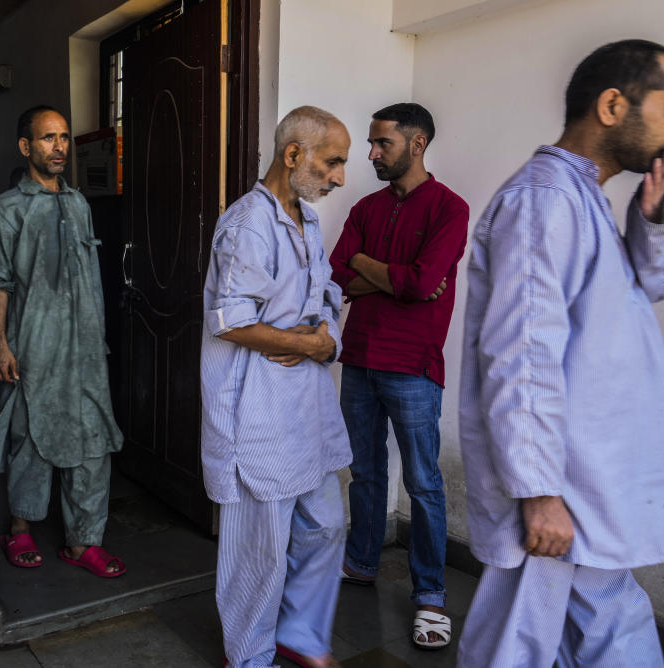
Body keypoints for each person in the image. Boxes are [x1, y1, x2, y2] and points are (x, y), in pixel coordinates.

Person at [458, 39, 664, 667]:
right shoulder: (545, 202)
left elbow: (653, 284)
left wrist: (654, 212)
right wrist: (539, 492)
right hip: (563, 491)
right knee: (533, 642)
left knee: (558, 638)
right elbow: (521, 354)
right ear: (614, 105)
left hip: (587, 483)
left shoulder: (586, 197)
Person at [201, 106, 353, 668]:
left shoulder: (306, 221)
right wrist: (307, 346)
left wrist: (326, 338)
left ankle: (301, 635)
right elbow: (231, 320)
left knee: (326, 525)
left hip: (304, 407)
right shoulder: (247, 224)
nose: (339, 176)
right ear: (294, 155)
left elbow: (327, 294)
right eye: (333, 162)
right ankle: (249, 657)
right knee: (257, 553)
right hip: (256, 410)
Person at [329, 103, 469, 650]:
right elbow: (337, 275)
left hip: (414, 365)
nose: (371, 153)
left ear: (417, 143)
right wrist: (391, 275)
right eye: (372, 143)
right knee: (365, 472)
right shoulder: (365, 207)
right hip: (359, 358)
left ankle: (430, 595)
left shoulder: (449, 209)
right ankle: (362, 563)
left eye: (381, 143)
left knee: (423, 482)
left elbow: (423, 283)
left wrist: (371, 266)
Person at [0, 106, 126, 577]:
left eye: (65, 138)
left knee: (93, 440)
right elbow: (1, 281)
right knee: (30, 437)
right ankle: (21, 529)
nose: (60, 148)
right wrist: (2, 346)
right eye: (48, 139)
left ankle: (83, 541)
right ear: (26, 147)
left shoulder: (79, 204)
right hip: (34, 344)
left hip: (86, 347)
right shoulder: (9, 207)